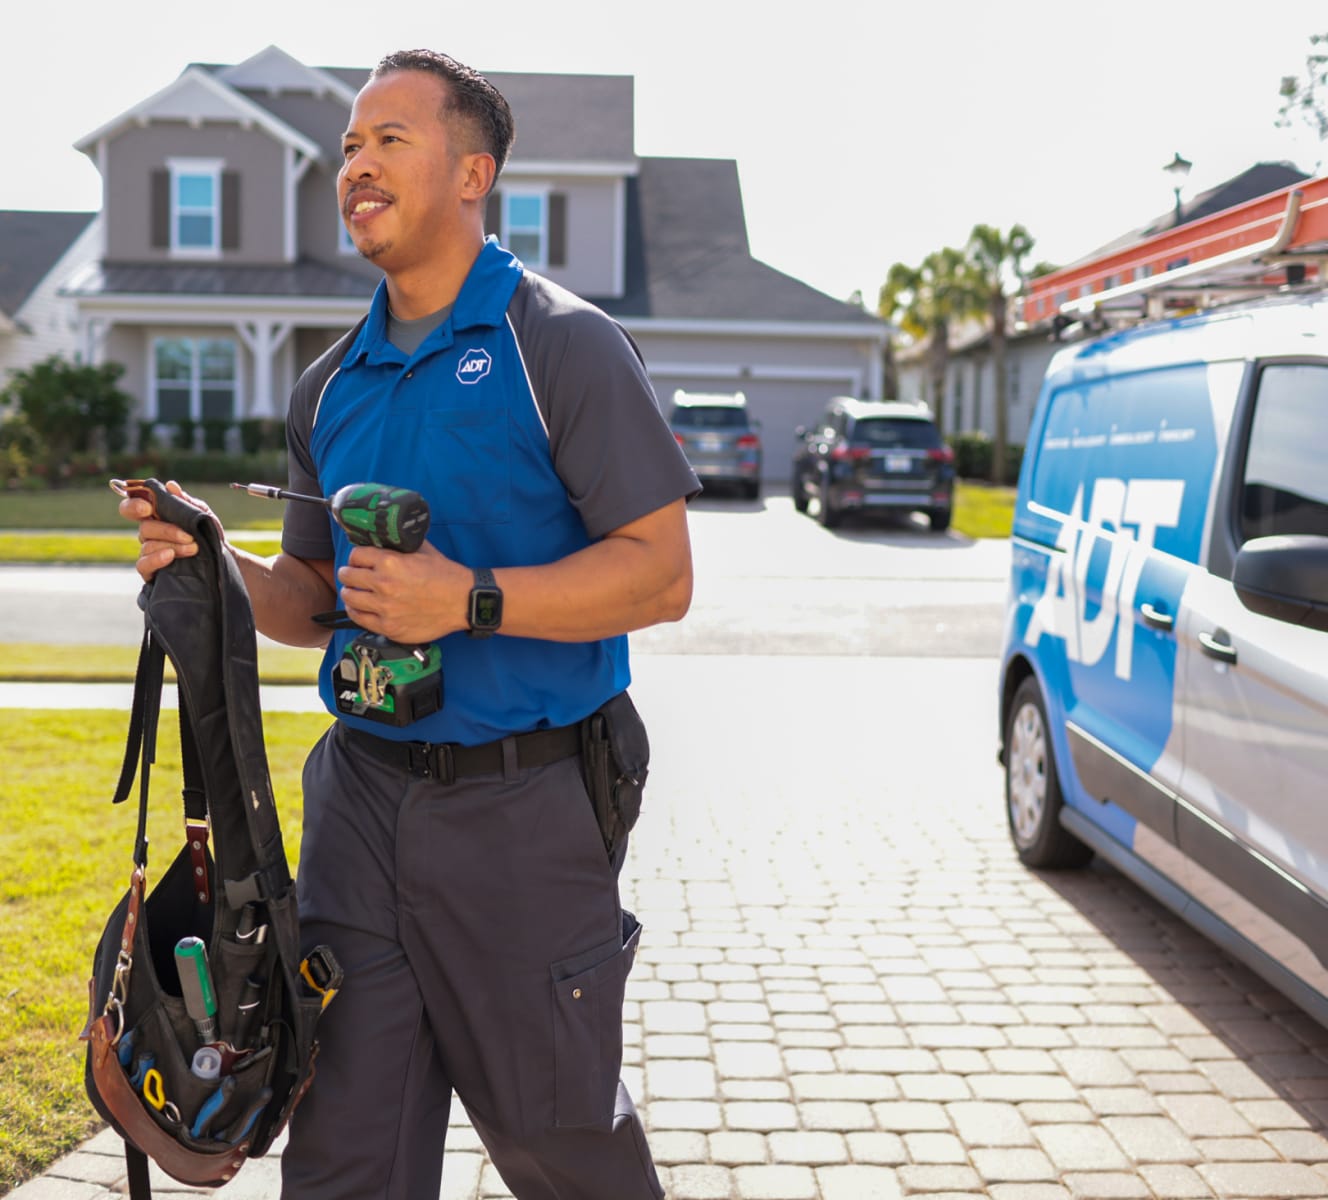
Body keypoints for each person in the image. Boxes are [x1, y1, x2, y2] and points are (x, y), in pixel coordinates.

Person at [120, 48, 699, 1200]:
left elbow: (660, 575)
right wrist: (213, 564)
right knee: (344, 1154)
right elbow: (310, 596)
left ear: (474, 171)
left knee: (562, 1146)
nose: (356, 165)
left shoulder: (561, 347)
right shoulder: (330, 384)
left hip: (524, 808)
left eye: (390, 140)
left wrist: (472, 598)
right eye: (347, 146)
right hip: (358, 807)